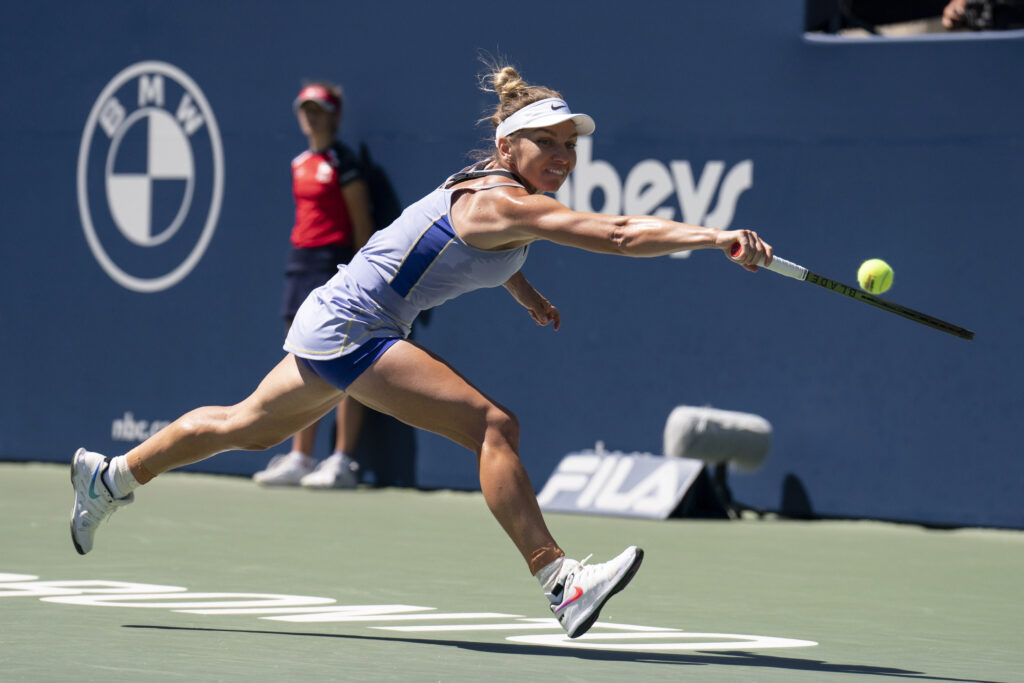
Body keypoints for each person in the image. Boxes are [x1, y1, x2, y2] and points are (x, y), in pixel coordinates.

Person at [69, 63, 773, 639]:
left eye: (570, 145)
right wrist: (714, 237)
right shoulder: (503, 204)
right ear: (507, 150)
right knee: (493, 425)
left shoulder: (499, 197)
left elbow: (479, 252)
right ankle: (562, 582)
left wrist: (522, 290)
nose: (563, 157)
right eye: (548, 144)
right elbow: (617, 232)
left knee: (241, 429)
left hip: (339, 316)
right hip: (355, 323)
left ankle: (110, 476)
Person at [253, 81, 375, 489]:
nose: (311, 116)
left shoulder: (345, 163)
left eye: (319, 109)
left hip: (334, 264)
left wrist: (362, 276)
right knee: (300, 362)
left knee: (343, 362)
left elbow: (362, 225)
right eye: (306, 109)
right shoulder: (299, 163)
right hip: (299, 265)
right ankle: (301, 456)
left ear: (335, 115)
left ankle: (341, 460)